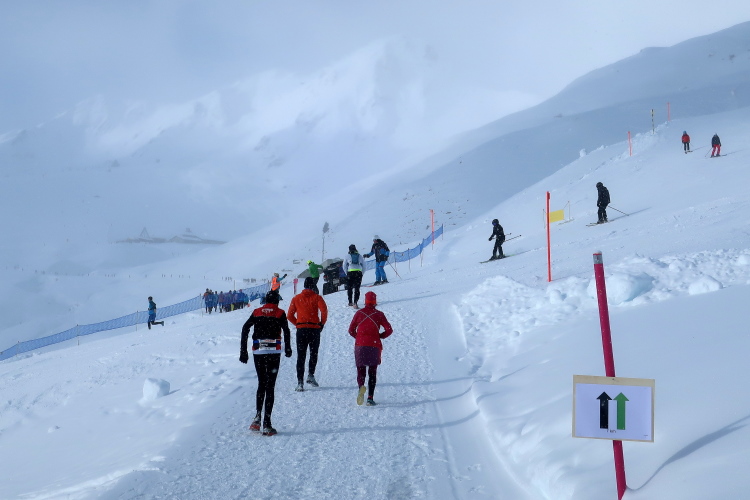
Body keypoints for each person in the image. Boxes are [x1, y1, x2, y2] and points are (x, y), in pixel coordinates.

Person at [239, 290, 292, 436]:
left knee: (262, 383)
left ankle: (257, 419)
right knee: (270, 386)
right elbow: (286, 331)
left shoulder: (257, 312)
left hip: (259, 350)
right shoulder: (280, 313)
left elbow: (245, 328)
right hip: (274, 350)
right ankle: (267, 423)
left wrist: (243, 351)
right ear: (277, 301)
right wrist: (288, 348)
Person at [348, 291, 393, 406]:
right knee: (372, 372)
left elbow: (351, 330)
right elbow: (389, 330)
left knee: (361, 370)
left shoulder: (359, 313)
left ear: (365, 301)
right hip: (374, 345)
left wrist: (359, 337)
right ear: (375, 301)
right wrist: (380, 336)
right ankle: (370, 398)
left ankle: (361, 387)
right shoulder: (379, 314)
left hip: (360, 345)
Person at [287, 277, 328, 391]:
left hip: (301, 330)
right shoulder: (317, 297)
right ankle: (311, 375)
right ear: (313, 286)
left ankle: (300, 382)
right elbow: (324, 311)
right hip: (314, 329)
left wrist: (298, 324)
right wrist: (321, 323)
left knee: (301, 356)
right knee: (313, 353)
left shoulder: (296, 298)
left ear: (304, 286)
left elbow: (289, 315)